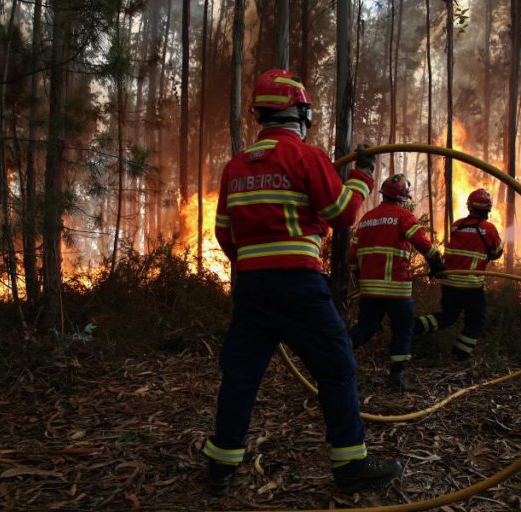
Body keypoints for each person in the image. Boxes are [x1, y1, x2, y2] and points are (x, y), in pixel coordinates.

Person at [205, 69, 402, 497]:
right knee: (337, 367)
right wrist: (363, 177)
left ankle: (221, 465)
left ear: (261, 114)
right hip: (299, 286)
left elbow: (224, 233)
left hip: (252, 288)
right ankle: (350, 465)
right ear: (300, 112)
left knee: (241, 375)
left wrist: (254, 265)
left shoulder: (235, 168)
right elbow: (342, 214)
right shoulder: (307, 158)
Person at [348, 174, 445, 392]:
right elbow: (422, 242)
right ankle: (397, 376)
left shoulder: (367, 219)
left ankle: (336, 354)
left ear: (384, 194)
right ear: (403, 198)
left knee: (365, 329)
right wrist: (436, 262)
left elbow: (352, 255)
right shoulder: (403, 216)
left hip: (370, 290)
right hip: (397, 290)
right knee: (403, 330)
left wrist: (359, 278)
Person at [414, 188, 503, 361]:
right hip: (471, 285)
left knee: (447, 317)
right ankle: (460, 355)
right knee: (476, 320)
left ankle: (412, 327)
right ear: (488, 209)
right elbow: (497, 252)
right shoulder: (489, 228)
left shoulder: (457, 225)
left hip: (450, 282)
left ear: (470, 207)